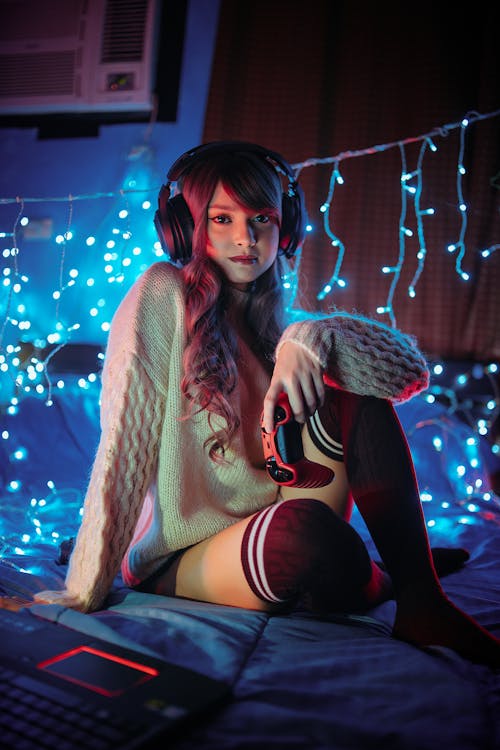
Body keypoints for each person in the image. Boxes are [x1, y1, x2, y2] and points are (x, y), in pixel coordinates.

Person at [34, 141, 499, 668]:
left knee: (352, 390)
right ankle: (383, 578)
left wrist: (309, 338)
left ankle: (422, 597)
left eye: (262, 219)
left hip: (274, 514)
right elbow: (124, 441)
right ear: (186, 228)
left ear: (286, 227)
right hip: (183, 550)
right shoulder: (161, 295)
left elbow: (408, 374)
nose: (245, 239)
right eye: (221, 219)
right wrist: (86, 585)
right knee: (305, 537)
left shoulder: (281, 321)